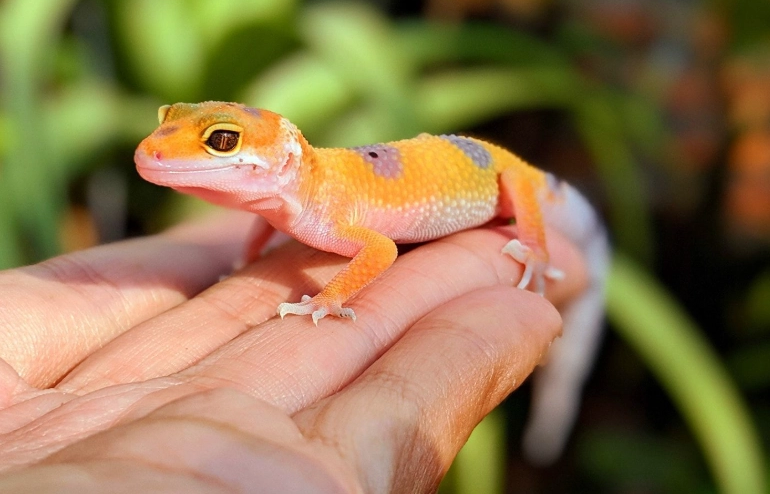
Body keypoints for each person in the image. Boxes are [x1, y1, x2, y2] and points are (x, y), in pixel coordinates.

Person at [0, 211, 585, 493]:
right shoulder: (283, 208)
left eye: (220, 144)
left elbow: (379, 249)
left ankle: (546, 244)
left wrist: (329, 298)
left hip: (502, 183)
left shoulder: (322, 209)